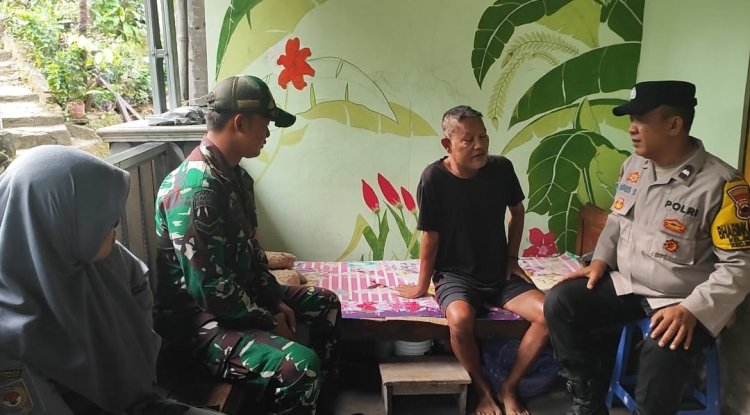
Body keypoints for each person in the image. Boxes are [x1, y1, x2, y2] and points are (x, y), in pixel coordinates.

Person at [544, 80, 750, 415]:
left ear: (674, 125)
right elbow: (616, 219)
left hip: (682, 300)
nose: (632, 129)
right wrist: (600, 261)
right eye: (631, 120)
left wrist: (692, 309)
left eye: (641, 120)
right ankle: (587, 401)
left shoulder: (721, 185)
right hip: (629, 284)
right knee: (561, 301)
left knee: (661, 350)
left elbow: (739, 267)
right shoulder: (634, 167)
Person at [154, 75, 342, 414]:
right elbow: (209, 290)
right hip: (201, 325)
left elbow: (252, 256)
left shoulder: (236, 178)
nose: (268, 133)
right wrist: (268, 318)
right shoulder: (195, 189)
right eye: (266, 123)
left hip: (238, 301)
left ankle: (315, 401)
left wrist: (273, 299)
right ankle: (301, 391)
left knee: (324, 303)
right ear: (240, 123)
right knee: (301, 367)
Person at [0, 145, 221, 414]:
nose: (115, 220)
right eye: (97, 213)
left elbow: (139, 288)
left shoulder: (104, 259)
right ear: (54, 218)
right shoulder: (8, 333)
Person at [397, 105, 549, 415]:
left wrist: (511, 258)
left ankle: (509, 387)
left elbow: (517, 211)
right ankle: (482, 390)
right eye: (468, 140)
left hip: (499, 273)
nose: (479, 146)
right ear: (448, 144)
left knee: (549, 314)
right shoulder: (433, 178)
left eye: (483, 137)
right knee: (460, 320)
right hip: (456, 276)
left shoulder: (501, 168)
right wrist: (422, 285)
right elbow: (431, 238)